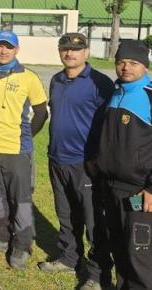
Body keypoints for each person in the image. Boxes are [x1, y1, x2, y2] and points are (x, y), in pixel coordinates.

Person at [38, 33, 114, 289]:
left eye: (75, 49)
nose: (70, 53)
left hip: (85, 164)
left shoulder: (99, 83)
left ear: (86, 53)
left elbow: (109, 127)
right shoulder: (57, 81)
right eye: (65, 49)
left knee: (94, 221)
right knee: (66, 215)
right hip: (56, 160)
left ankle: (97, 273)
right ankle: (70, 258)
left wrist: (98, 162)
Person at [0, 30, 48, 270]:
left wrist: (24, 136)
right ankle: (0, 236)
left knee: (21, 200)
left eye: (9, 47)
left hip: (17, 150)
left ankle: (22, 244)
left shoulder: (28, 77)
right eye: (0, 46)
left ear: (17, 50)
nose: (4, 51)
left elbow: (41, 112)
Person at [96, 40, 152, 289]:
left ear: (145, 66)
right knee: (119, 248)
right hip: (111, 187)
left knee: (140, 253)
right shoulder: (116, 93)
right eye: (121, 62)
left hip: (140, 191)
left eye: (133, 63)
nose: (126, 68)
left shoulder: (149, 96)